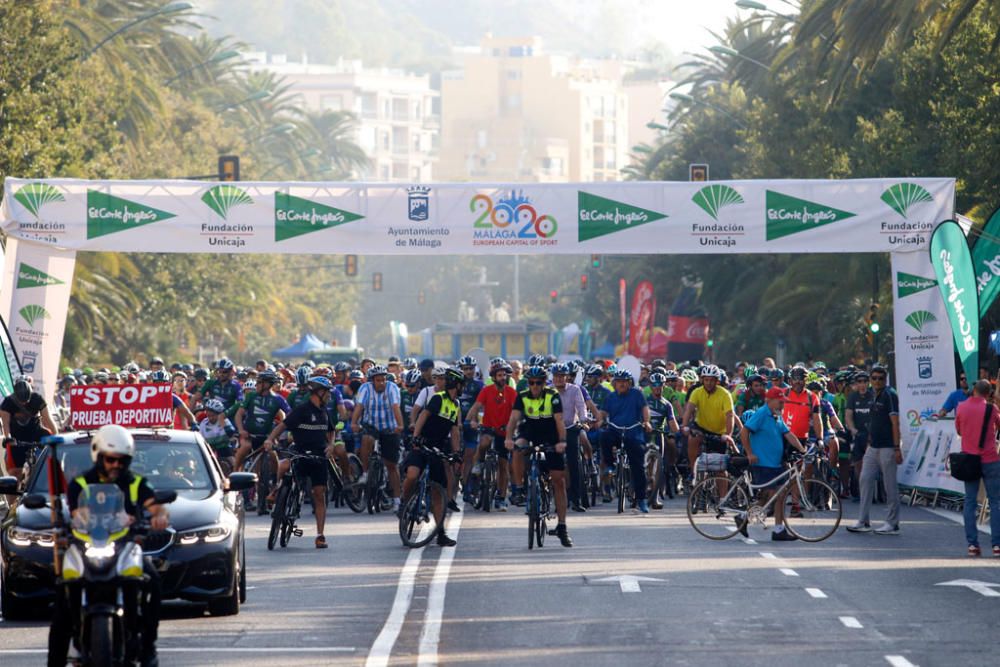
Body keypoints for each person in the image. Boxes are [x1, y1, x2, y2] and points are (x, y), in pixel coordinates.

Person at [49, 425, 170, 667]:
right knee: (62, 595)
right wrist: (80, 518)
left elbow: (155, 505)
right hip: (86, 546)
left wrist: (159, 516)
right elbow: (78, 512)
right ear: (98, 455)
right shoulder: (80, 483)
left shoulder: (136, 482)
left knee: (153, 581)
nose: (116, 465)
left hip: (125, 545)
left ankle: (148, 646)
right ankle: (56, 660)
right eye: (110, 459)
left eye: (121, 460)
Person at [264, 376, 337, 549]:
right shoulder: (302, 410)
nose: (329, 396)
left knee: (319, 494)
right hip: (300, 452)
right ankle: (277, 491)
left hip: (319, 456)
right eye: (327, 393)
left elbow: (331, 431)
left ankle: (320, 535)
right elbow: (282, 426)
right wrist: (270, 440)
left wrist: (331, 445)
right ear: (319, 392)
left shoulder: (324, 412)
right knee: (284, 466)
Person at [505, 366, 572, 546]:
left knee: (559, 480)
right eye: (532, 383)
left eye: (539, 383)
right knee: (517, 448)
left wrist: (562, 441)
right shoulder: (523, 396)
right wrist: (508, 438)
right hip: (530, 433)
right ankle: (518, 489)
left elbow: (559, 420)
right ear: (528, 383)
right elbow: (513, 419)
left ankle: (562, 526)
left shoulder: (553, 396)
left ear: (544, 383)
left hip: (551, 435)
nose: (535, 386)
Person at [403, 368, 464, 547]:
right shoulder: (438, 399)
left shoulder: (456, 404)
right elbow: (423, 416)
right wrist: (416, 436)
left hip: (437, 448)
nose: (463, 388)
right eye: (461, 385)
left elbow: (454, 432)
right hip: (422, 444)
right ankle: (404, 503)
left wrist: (456, 454)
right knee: (412, 475)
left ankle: (441, 533)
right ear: (456, 384)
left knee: (438, 493)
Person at [741, 388, 807, 541]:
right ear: (769, 400)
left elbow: (788, 434)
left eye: (783, 402)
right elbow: (745, 432)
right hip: (763, 463)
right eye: (780, 401)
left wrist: (802, 449)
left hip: (776, 463)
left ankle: (778, 530)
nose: (782, 404)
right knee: (769, 496)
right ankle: (743, 516)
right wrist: (750, 453)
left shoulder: (776, 415)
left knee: (779, 495)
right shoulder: (762, 413)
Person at [847, 366, 902, 535]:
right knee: (865, 479)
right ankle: (863, 521)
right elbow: (873, 420)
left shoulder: (890, 395)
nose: (877, 381)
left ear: (885, 380)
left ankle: (892, 523)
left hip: (887, 447)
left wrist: (897, 447)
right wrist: (869, 441)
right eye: (874, 378)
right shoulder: (872, 395)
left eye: (880, 378)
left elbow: (895, 422)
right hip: (873, 446)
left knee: (889, 485)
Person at [953, 380, 1000, 557]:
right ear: (989, 393)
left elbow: (959, 431)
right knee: (995, 502)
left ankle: (972, 545)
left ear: (974, 391)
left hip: (969, 459)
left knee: (970, 501)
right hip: (990, 458)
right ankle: (997, 545)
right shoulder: (991, 408)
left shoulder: (962, 407)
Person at [599, 369, 653, 512]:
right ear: (615, 383)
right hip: (615, 430)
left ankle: (641, 500)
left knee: (638, 467)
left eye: (624, 382)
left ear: (629, 383)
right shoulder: (610, 397)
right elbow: (603, 412)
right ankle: (610, 466)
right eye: (619, 382)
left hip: (633, 432)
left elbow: (645, 409)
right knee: (605, 436)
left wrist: (646, 422)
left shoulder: (636, 394)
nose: (621, 384)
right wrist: (599, 420)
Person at [352, 365, 404, 511]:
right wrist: (354, 423)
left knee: (392, 465)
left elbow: (395, 407)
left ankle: (397, 500)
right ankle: (366, 472)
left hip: (390, 426)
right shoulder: (365, 388)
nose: (381, 383)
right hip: (371, 424)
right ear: (372, 381)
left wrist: (400, 425)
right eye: (378, 380)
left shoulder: (392, 388)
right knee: (366, 439)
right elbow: (359, 407)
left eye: (383, 380)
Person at [467, 360, 518, 510]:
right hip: (488, 427)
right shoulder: (486, 390)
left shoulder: (511, 392)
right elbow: (475, 407)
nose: (503, 377)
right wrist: (470, 421)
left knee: (503, 466)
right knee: (484, 442)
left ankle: (501, 498)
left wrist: (515, 426)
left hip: (505, 431)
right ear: (494, 377)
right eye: (500, 375)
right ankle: (478, 464)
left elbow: (517, 412)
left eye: (505, 375)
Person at [1, 375, 58, 486]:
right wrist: (8, 438)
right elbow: (5, 425)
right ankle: (13, 500)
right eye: (21, 401)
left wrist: (56, 437)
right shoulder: (7, 403)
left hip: (36, 434)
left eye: (26, 401)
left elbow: (48, 420)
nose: (24, 404)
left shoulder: (37, 399)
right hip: (17, 439)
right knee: (14, 474)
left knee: (47, 466)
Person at [552, 363, 590, 512]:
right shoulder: (548, 391)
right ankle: (558, 500)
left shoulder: (575, 390)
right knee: (554, 466)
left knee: (574, 464)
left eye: (562, 376)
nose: (559, 379)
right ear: (553, 378)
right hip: (553, 431)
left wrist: (583, 419)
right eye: (557, 376)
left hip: (571, 429)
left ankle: (576, 500)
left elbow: (581, 407)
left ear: (567, 377)